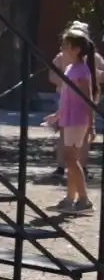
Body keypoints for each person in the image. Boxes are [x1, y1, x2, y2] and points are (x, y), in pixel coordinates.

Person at [45, 27, 98, 214]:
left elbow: (87, 99)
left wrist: (91, 126)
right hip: (68, 119)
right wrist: (57, 115)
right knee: (70, 160)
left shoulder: (82, 70)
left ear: (76, 49)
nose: (62, 49)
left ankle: (83, 200)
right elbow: (67, 98)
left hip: (78, 120)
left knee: (71, 159)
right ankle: (70, 199)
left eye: (65, 45)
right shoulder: (69, 69)